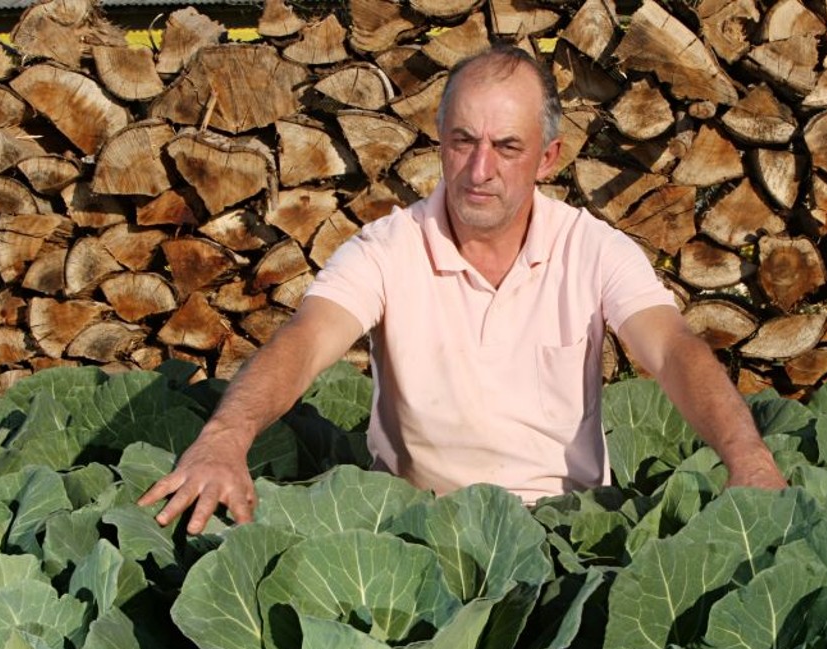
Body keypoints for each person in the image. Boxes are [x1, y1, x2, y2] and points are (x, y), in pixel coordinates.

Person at [139, 44, 787, 534]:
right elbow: (306, 341)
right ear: (441, 144)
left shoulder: (592, 249)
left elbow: (672, 349)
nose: (480, 170)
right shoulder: (387, 249)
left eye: (508, 146)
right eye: (463, 141)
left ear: (548, 158)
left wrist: (747, 456)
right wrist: (226, 437)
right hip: (413, 527)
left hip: (567, 528)